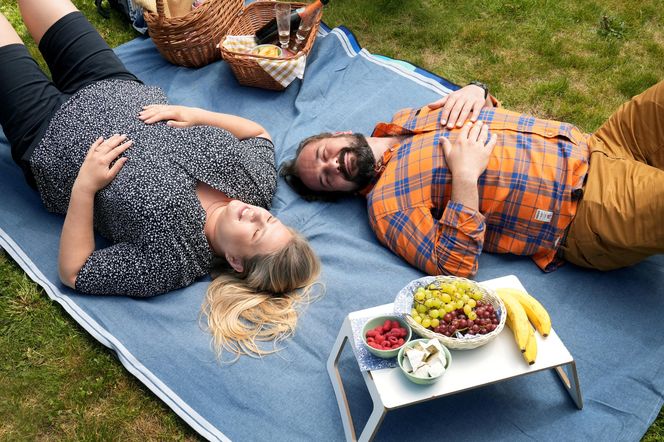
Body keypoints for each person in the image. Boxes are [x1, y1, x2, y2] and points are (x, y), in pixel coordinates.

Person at [0, 0, 321, 359]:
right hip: (113, 85)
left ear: (235, 261)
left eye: (258, 232)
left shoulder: (173, 262)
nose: (258, 214)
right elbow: (258, 135)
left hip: (51, 136)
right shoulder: (257, 185)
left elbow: (76, 272)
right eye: (271, 218)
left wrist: (84, 187)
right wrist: (194, 113)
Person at [280, 81, 664, 277]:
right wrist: (465, 179)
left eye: (323, 155)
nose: (331, 167)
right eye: (326, 180)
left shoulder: (409, 117)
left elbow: (488, 113)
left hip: (600, 144)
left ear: (338, 134)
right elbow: (453, 268)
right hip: (585, 209)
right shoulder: (387, 207)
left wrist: (477, 91)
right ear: (342, 192)